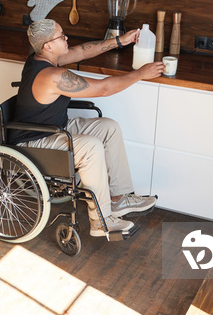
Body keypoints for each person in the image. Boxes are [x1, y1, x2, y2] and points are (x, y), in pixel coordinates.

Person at [9, 19, 165, 237]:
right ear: (48, 46)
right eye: (61, 36)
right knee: (91, 146)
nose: (66, 39)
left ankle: (118, 198)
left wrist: (121, 41)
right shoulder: (51, 76)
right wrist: (139, 74)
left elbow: (82, 51)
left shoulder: (44, 57)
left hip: (55, 126)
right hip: (35, 140)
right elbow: (104, 88)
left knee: (108, 128)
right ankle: (100, 221)